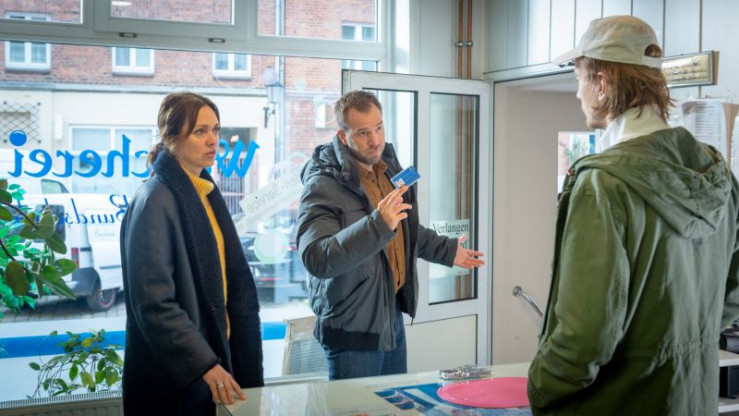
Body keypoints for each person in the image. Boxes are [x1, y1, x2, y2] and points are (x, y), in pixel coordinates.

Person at [527, 15, 739, 415]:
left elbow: (584, 337)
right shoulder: (718, 174)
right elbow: (734, 290)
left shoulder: (603, 184)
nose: (577, 93)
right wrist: (685, 337)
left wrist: (540, 387)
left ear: (602, 84)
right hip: (691, 398)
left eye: (579, 79)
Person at [296, 90, 485, 380]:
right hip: (352, 329)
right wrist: (377, 225)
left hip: (390, 315)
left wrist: (446, 250)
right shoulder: (323, 185)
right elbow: (317, 258)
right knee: (360, 406)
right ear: (343, 136)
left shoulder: (387, 170)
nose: (375, 140)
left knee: (394, 401)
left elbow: (403, 229)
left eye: (379, 128)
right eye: (363, 133)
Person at [120, 92, 263, 415]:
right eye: (200, 131)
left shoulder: (204, 194)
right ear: (171, 137)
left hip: (215, 363)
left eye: (216, 129)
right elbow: (154, 303)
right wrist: (204, 364)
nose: (213, 140)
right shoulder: (155, 199)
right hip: (178, 377)